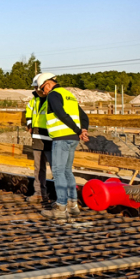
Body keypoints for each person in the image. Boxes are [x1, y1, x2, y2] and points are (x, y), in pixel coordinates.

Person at [36, 72, 90, 220]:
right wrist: (82, 130)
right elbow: (84, 116)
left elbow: (60, 114)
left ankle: (60, 207)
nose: (43, 92)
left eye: (43, 89)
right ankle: (73, 205)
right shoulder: (69, 95)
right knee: (67, 171)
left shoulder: (53, 95)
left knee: (58, 171)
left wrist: (78, 130)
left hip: (61, 138)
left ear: (47, 84)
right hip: (73, 139)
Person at [25, 74, 52, 205]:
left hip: (51, 138)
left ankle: (61, 198)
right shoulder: (33, 101)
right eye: (35, 88)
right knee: (38, 168)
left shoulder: (52, 99)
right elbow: (29, 113)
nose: (37, 90)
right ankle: (39, 193)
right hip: (37, 138)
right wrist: (29, 124)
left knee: (56, 169)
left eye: (38, 87)